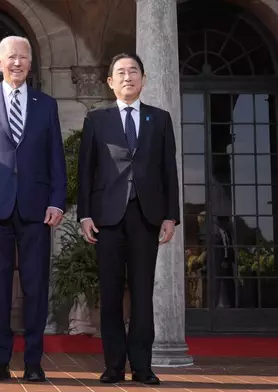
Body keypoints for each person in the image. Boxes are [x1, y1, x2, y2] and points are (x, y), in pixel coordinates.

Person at [0, 36, 67, 382]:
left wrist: (56, 200)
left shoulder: (46, 104)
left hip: (37, 208)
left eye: (23, 57)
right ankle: (0, 360)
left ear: (31, 63)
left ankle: (34, 362)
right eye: (11, 57)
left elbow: (56, 158)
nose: (17, 63)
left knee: (36, 286)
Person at [76, 53, 180, 385]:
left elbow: (169, 170)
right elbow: (86, 170)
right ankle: (113, 366)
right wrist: (85, 214)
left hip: (146, 216)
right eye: (120, 72)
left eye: (133, 72)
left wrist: (170, 216)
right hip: (107, 217)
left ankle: (143, 366)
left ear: (144, 79)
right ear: (110, 81)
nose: (127, 77)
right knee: (109, 293)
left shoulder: (160, 119)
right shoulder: (96, 119)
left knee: (142, 292)